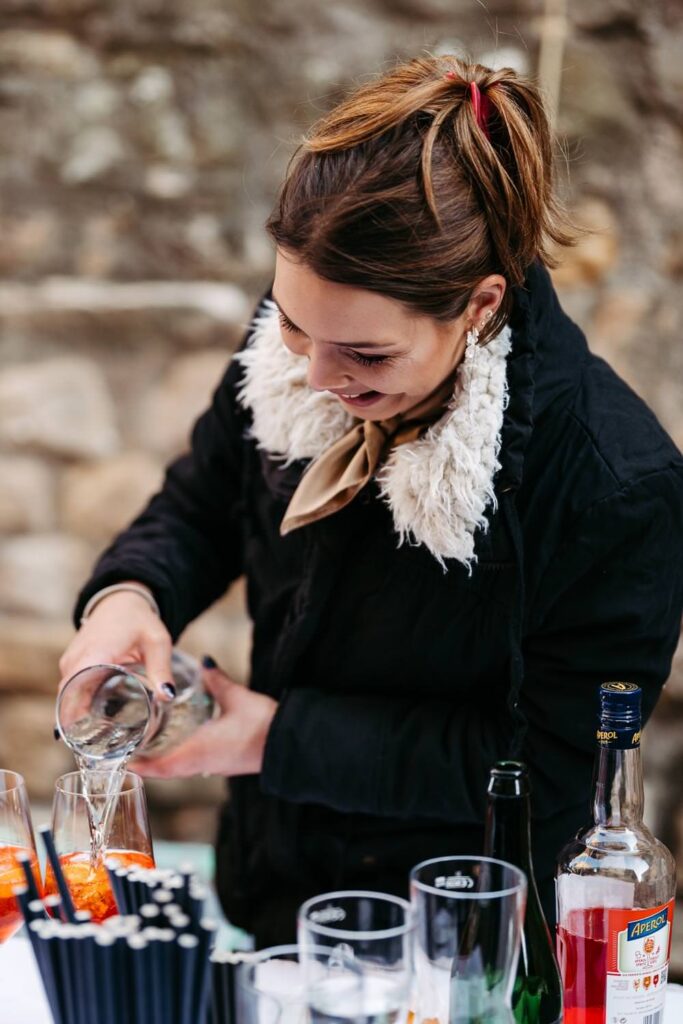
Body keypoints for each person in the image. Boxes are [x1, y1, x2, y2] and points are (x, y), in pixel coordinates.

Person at [59, 55, 683, 945]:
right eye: (291, 322)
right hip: (277, 898)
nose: (314, 374)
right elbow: (201, 503)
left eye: (365, 355)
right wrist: (129, 596)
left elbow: (554, 770)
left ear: (479, 304)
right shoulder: (310, 344)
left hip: (470, 943)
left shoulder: (613, 486)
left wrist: (272, 740)